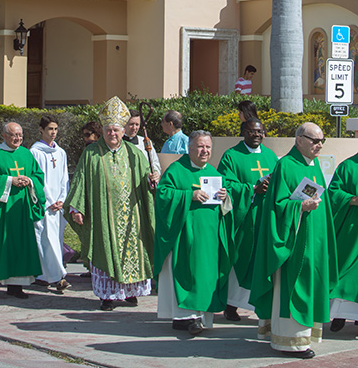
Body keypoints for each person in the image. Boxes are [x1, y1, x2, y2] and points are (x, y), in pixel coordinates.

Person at [250, 122, 338, 359]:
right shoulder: (286, 165)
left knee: (309, 286)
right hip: (293, 241)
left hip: (313, 239)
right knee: (293, 287)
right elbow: (278, 205)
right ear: (299, 139)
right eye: (314, 140)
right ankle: (289, 343)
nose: (318, 145)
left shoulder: (315, 165)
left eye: (321, 141)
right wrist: (300, 207)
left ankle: (305, 336)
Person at [65, 96, 155, 311]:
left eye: (116, 130)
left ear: (123, 132)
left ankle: (130, 292)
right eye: (108, 130)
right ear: (103, 131)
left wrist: (152, 183)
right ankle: (108, 296)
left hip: (132, 216)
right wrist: (77, 207)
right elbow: (80, 181)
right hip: (103, 214)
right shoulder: (91, 154)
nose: (112, 134)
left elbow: (146, 182)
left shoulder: (135, 153)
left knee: (131, 250)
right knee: (106, 249)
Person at [154, 130, 233, 336]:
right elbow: (162, 195)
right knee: (188, 273)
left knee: (206, 276)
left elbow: (225, 210)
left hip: (209, 239)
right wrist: (190, 195)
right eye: (200, 146)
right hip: (185, 235)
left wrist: (225, 198)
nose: (204, 151)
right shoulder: (176, 170)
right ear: (189, 148)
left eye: (208, 147)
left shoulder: (215, 174)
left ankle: (202, 317)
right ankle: (185, 318)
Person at [217, 118, 278, 321]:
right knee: (240, 259)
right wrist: (252, 189)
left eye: (260, 132)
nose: (257, 135)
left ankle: (258, 303)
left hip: (265, 218)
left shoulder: (271, 156)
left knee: (260, 261)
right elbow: (226, 184)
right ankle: (231, 305)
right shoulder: (231, 156)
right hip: (244, 219)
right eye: (252, 132)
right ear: (243, 132)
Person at [0, 121, 46, 299]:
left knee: (19, 245)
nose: (18, 138)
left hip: (21, 208)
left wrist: (29, 182)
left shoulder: (26, 153)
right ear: (4, 136)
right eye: (14, 135)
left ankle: (16, 287)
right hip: (1, 209)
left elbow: (38, 175)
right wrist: (10, 181)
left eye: (20, 135)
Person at [30, 115, 70, 293]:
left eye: (55, 129)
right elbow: (38, 180)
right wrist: (49, 200)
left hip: (58, 205)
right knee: (46, 240)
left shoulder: (60, 152)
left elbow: (64, 177)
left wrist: (62, 198)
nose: (53, 133)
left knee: (56, 240)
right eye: (49, 129)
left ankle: (44, 276)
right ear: (41, 130)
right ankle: (58, 276)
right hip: (45, 204)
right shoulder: (35, 152)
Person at [328, 152, 358, 332]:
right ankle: (338, 316)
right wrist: (353, 200)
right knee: (344, 272)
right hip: (351, 230)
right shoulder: (347, 166)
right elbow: (334, 192)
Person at [124, 110, 161, 181]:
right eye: (131, 124)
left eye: (137, 124)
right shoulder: (118, 143)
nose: (134, 128)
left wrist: (156, 173)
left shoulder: (145, 142)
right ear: (125, 124)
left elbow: (154, 162)